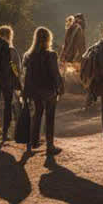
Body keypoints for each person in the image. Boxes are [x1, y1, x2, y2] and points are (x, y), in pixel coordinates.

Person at [22, 26, 64, 156]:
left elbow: (26, 76)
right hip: (48, 90)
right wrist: (60, 87)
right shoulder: (51, 55)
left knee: (37, 113)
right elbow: (55, 74)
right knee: (49, 116)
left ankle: (33, 142)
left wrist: (26, 93)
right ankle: (50, 146)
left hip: (34, 90)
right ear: (48, 39)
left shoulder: (28, 55)